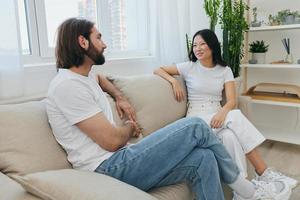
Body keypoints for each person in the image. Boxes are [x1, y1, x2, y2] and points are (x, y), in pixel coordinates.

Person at [46, 18, 291, 200]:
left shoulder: (85, 77)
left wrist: (119, 96)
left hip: (121, 159)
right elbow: (111, 142)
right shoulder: (67, 86)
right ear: (82, 41)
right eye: (99, 37)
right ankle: (249, 192)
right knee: (196, 126)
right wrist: (131, 128)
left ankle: (246, 189)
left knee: (203, 158)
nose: (105, 43)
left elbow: (100, 80)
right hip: (108, 168)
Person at [154, 29, 297, 198]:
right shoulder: (188, 67)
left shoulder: (224, 70)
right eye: (194, 45)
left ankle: (241, 192)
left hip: (218, 116)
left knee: (229, 136)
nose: (197, 48)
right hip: (197, 119)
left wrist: (222, 113)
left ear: (212, 46)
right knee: (235, 116)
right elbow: (159, 70)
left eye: (202, 44)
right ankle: (264, 171)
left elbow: (231, 100)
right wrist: (173, 81)